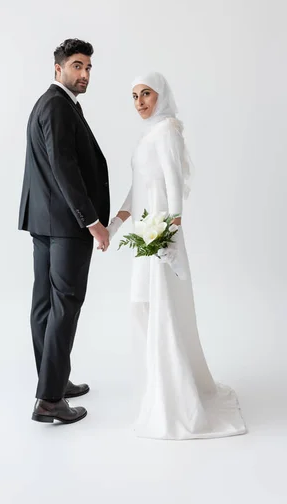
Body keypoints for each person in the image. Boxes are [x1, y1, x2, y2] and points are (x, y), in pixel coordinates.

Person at [108, 72, 247, 439]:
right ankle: (158, 381)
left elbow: (173, 185)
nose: (139, 102)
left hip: (159, 236)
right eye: (134, 95)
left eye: (146, 94)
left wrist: (167, 234)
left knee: (161, 305)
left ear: (161, 96)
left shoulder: (167, 129)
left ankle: (173, 397)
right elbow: (136, 189)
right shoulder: (146, 137)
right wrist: (112, 226)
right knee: (142, 305)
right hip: (144, 236)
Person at [18, 39, 110, 424]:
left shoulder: (52, 103)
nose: (84, 74)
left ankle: (53, 379)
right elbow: (64, 169)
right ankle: (51, 399)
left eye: (88, 67)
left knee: (45, 305)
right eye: (77, 66)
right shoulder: (57, 106)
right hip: (67, 225)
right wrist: (92, 222)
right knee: (63, 305)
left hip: (44, 222)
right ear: (58, 69)